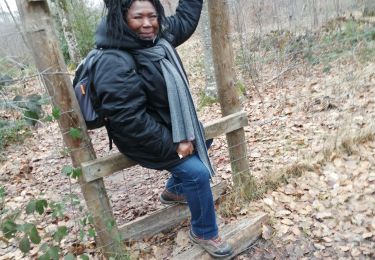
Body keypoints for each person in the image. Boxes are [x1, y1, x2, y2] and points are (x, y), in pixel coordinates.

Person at [95, 0, 233, 257]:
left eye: (152, 16)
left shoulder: (156, 40)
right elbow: (129, 122)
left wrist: (185, 136)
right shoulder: (114, 60)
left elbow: (185, 20)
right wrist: (175, 143)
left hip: (165, 125)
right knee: (197, 173)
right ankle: (204, 231)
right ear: (122, 18)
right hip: (138, 138)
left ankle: (174, 190)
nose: (147, 24)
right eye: (138, 17)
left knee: (203, 139)